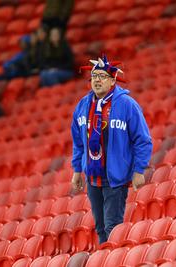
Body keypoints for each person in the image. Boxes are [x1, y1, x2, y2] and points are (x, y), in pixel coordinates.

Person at [71, 55, 153, 244]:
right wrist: (77, 169)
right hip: (92, 177)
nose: (97, 80)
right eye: (94, 77)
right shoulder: (83, 105)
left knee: (113, 228)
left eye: (102, 76)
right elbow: (78, 141)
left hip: (115, 178)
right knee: (100, 229)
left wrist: (139, 170)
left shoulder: (127, 104)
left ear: (113, 80)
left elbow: (143, 141)